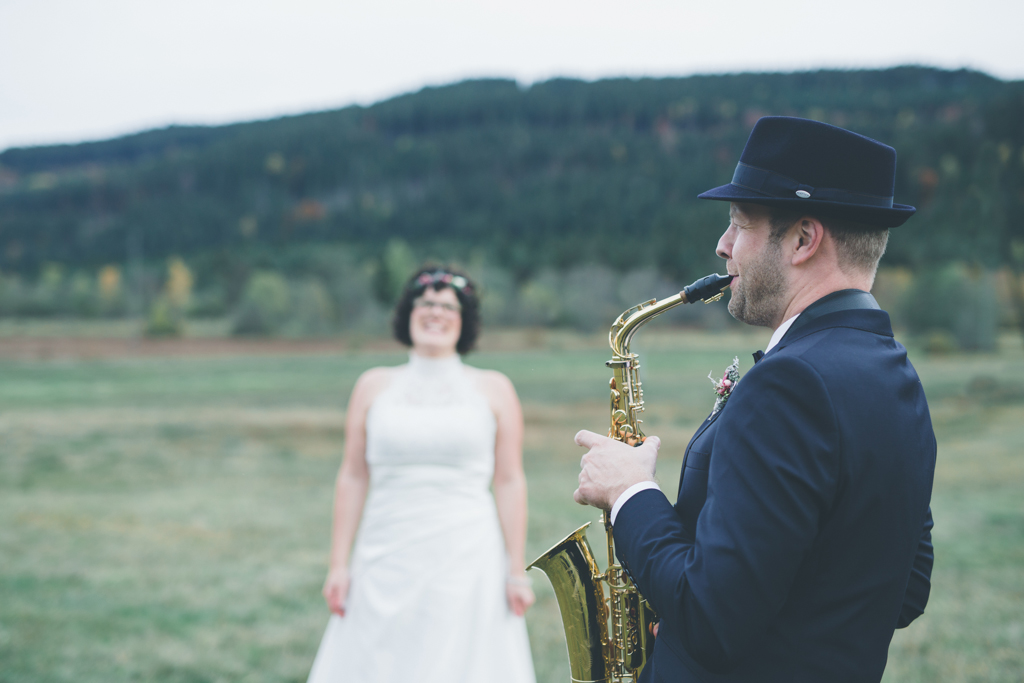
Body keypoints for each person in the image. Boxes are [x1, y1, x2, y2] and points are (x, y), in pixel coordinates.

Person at [573, 117, 936, 682]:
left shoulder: (789, 383)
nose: (722, 246)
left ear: (802, 239)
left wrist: (629, 493)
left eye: (739, 225)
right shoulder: (895, 375)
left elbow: (711, 621)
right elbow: (905, 589)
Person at [307, 266, 536, 683]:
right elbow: (353, 476)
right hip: (384, 550)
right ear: (407, 315)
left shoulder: (494, 388)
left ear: (464, 321)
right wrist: (338, 565)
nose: (436, 312)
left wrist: (515, 570)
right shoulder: (373, 385)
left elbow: (508, 480)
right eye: (426, 303)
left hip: (467, 552)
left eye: (448, 306)